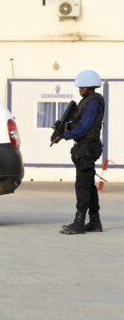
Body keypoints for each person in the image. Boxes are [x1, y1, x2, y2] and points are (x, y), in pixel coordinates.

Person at [54, 70, 105, 235]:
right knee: (89, 185)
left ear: (91, 87)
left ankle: (79, 223)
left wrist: (65, 135)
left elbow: (84, 128)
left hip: (87, 148)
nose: (80, 89)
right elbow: (78, 122)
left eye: (83, 87)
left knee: (82, 185)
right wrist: (64, 125)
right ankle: (95, 222)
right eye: (80, 86)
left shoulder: (93, 103)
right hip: (85, 147)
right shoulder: (87, 101)